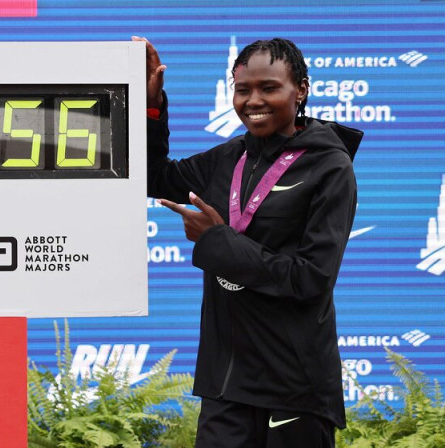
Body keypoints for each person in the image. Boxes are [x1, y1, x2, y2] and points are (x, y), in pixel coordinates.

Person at [134, 36, 362, 447]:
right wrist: (151, 107)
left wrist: (218, 242)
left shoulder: (330, 166)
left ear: (301, 91)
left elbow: (311, 278)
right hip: (227, 383)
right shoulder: (226, 159)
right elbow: (152, 177)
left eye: (269, 88)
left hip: (296, 386)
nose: (253, 100)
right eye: (243, 89)